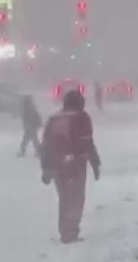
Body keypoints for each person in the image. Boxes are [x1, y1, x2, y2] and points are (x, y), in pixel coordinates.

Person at [40, 89, 101, 244]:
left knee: (64, 197)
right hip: (76, 163)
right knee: (75, 198)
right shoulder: (81, 117)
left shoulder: (53, 118)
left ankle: (65, 230)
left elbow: (46, 144)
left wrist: (46, 168)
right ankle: (70, 231)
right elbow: (87, 141)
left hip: (56, 163)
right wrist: (95, 162)